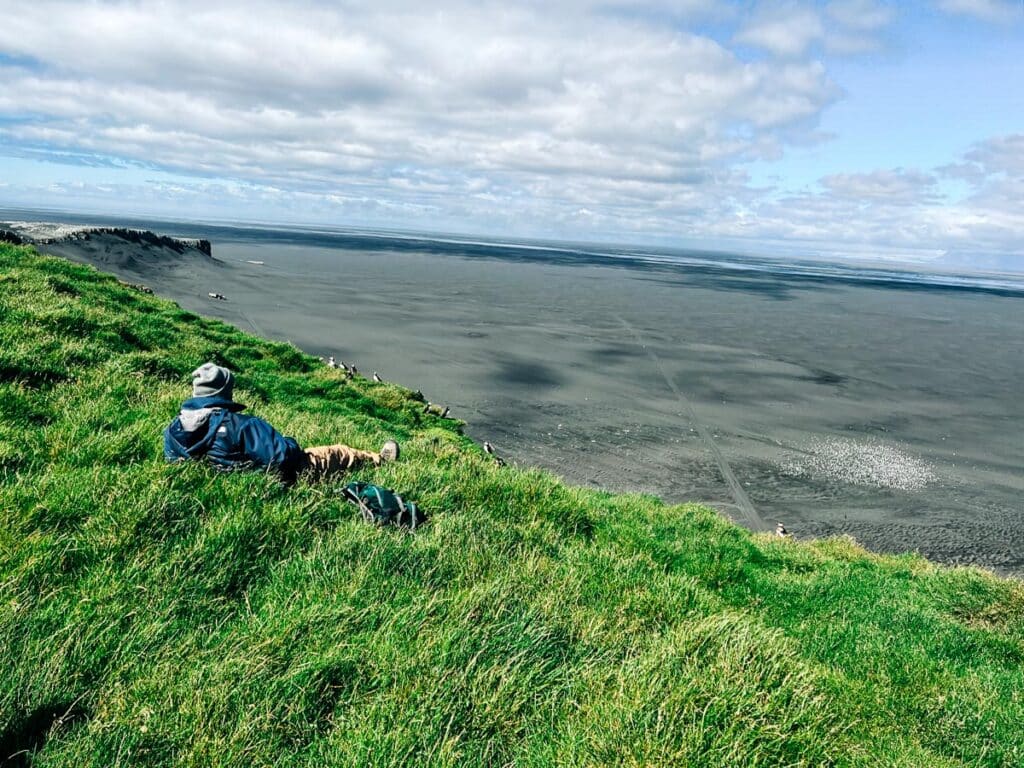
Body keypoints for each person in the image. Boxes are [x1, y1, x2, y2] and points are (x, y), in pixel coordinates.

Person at [164, 362, 399, 483]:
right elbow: (282, 456)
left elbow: (175, 464)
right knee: (337, 452)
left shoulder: (174, 428)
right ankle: (379, 461)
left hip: (224, 481)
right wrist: (289, 442)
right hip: (272, 479)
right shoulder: (240, 425)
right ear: (224, 392)